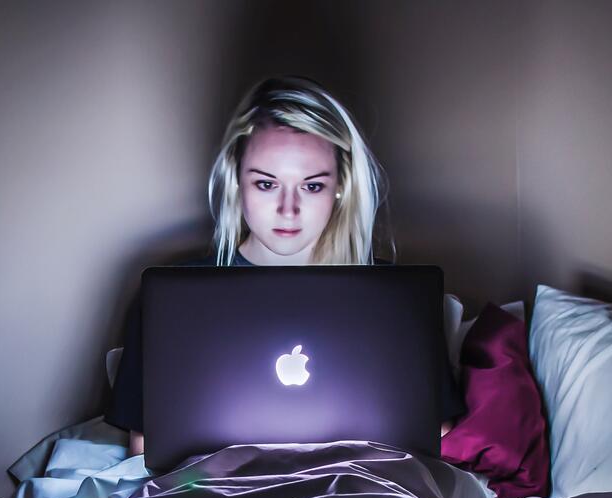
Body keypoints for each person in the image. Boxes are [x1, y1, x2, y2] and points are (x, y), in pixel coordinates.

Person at [104, 75, 466, 457]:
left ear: (340, 186)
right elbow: (146, 446)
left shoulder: (394, 297)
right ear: (236, 180)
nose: (288, 209)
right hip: (222, 494)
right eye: (266, 184)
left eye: (311, 186)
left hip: (354, 489)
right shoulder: (173, 300)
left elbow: (434, 432)